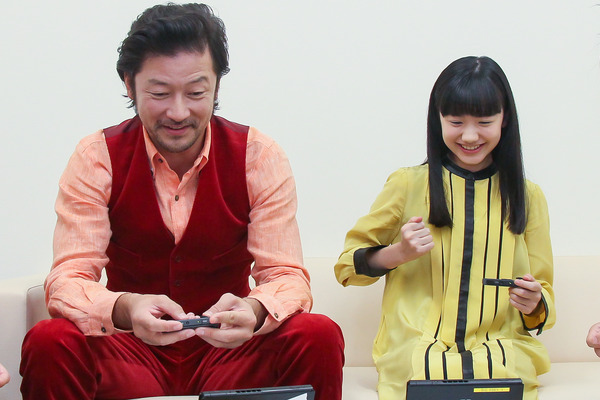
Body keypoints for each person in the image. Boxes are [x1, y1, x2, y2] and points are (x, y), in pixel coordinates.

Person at [20, 4, 343, 399]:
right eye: (159, 93)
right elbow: (68, 280)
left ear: (217, 87)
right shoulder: (96, 157)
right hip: (131, 352)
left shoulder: (258, 155)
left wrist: (255, 310)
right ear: (129, 85)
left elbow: (287, 276)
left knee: (317, 333)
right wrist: (127, 308)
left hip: (230, 356)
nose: (178, 112)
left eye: (195, 93)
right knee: (50, 340)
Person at [334, 56, 554, 400]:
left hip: (499, 348)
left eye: (484, 122)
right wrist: (398, 253)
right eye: (456, 122)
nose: (470, 135)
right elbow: (347, 267)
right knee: (428, 374)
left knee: (499, 376)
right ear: (437, 120)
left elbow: (544, 298)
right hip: (417, 347)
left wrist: (534, 302)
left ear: (505, 119)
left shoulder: (528, 196)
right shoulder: (407, 184)